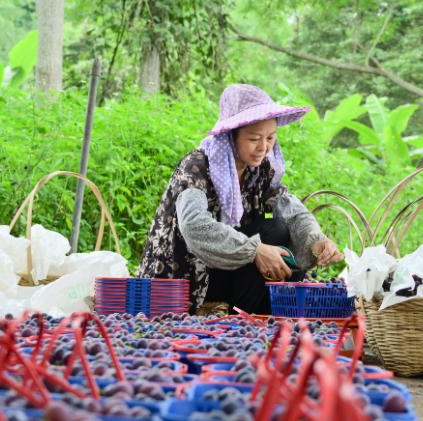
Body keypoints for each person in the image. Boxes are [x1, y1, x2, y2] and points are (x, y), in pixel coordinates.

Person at [137, 84, 343, 314]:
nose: (263, 148)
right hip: (187, 278)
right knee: (269, 233)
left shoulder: (259, 170)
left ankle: (254, 314)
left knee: (275, 222)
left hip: (227, 271)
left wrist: (316, 241)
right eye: (254, 138)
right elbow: (194, 226)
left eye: (270, 138)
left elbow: (288, 208)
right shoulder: (197, 168)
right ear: (231, 136)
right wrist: (254, 250)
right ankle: (223, 312)